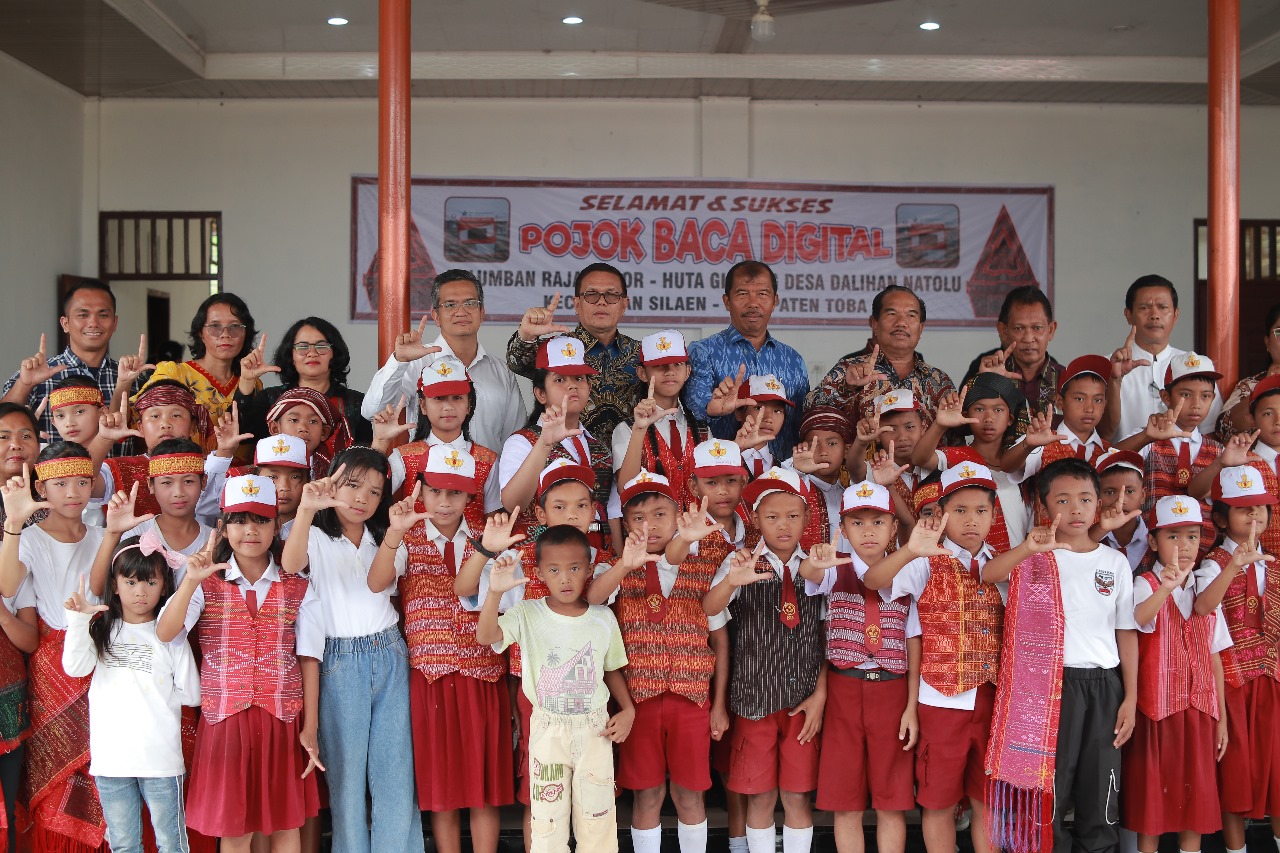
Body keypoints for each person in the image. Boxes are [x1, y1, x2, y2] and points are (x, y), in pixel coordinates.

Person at [156, 475, 323, 852]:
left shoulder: (297, 584)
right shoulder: (204, 581)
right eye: (239, 520)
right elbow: (166, 633)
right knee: (234, 829)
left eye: (261, 520)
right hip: (226, 720)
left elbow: (309, 657)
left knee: (285, 825)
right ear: (224, 526)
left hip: (282, 717)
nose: (250, 530)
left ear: (276, 526)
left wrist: (309, 726)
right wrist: (188, 583)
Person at [980, 458, 1138, 853]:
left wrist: (1130, 698)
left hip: (1104, 686)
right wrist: (1026, 547)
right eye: (1063, 500)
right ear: (1044, 507)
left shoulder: (1114, 562)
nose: (1076, 509)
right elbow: (988, 574)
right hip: (1048, 688)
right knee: (1051, 787)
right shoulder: (1034, 557)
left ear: (1098, 504)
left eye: (1086, 498)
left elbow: (1126, 631)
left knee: (1102, 788)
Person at [282, 449, 424, 853]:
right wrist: (307, 509)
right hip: (339, 661)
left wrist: (394, 534)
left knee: (395, 773)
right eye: (353, 485)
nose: (363, 498)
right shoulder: (309, 532)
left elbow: (378, 583)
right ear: (331, 481)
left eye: (375, 491)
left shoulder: (388, 537)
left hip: (389, 653)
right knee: (345, 780)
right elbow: (291, 566)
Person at [371, 445, 510, 853]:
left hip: (483, 673)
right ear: (420, 491)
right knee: (442, 786)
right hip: (429, 676)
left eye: (455, 493)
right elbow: (378, 583)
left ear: (471, 496)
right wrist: (394, 535)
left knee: (485, 786)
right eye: (435, 491)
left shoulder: (491, 536)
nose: (444, 502)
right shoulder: (407, 538)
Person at [862, 463, 1004, 853]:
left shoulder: (1003, 563)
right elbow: (874, 581)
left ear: (994, 514)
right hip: (941, 700)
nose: (971, 520)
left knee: (985, 799)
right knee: (938, 800)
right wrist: (910, 549)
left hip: (992, 698)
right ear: (941, 515)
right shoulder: (927, 558)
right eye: (959, 510)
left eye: (980, 510)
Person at [588, 473, 730, 853]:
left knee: (690, 795)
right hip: (639, 702)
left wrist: (718, 704)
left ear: (678, 515)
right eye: (637, 517)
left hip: (692, 700)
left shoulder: (703, 566)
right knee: (647, 795)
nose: (648, 525)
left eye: (659, 513)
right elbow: (592, 599)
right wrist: (624, 565)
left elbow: (719, 638)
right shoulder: (614, 567)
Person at [476, 524, 635, 853]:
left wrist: (628, 709)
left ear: (589, 569)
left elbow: (609, 669)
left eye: (575, 568)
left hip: (594, 730)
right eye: (554, 570)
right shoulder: (527, 613)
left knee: (597, 820)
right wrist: (494, 593)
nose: (565, 579)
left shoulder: (603, 618)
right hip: (547, 730)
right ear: (539, 572)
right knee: (547, 821)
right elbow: (486, 636)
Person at [702, 467, 827, 853]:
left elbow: (828, 637)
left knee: (796, 796)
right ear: (755, 519)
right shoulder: (739, 563)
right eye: (772, 517)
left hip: (802, 702)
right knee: (760, 796)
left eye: (793, 516)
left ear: (806, 518)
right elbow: (710, 609)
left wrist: (821, 694)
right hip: (753, 698)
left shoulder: (818, 566)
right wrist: (730, 582)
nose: (783, 525)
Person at [798, 481, 921, 853]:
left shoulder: (907, 570)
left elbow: (913, 640)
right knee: (845, 801)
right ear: (843, 527)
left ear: (892, 527)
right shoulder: (836, 567)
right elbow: (809, 573)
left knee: (892, 800)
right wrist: (815, 560)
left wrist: (912, 706)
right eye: (857, 522)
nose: (868, 531)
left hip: (892, 689)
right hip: (844, 689)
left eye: (877, 522)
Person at [0, 443, 109, 853]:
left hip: (101, 657)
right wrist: (13, 523)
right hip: (51, 665)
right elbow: (7, 586)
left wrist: (115, 532)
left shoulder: (103, 533)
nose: (73, 492)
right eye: (60, 483)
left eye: (82, 482)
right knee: (56, 773)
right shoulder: (28, 538)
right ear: (41, 489)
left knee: (102, 765)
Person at [62, 538, 201, 853]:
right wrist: (78, 620)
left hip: (161, 762)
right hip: (112, 762)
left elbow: (192, 694)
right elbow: (74, 667)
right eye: (131, 582)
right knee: (124, 845)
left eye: (151, 582)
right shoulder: (101, 631)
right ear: (115, 584)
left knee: (172, 844)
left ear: (165, 586)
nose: (141, 591)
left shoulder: (168, 635)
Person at [1123, 496, 1229, 853]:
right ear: (1153, 541)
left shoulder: (1205, 591)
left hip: (1199, 711)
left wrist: (1222, 720)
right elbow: (1137, 620)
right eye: (1173, 536)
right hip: (1157, 711)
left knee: (1193, 803)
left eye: (1192, 537)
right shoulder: (1146, 585)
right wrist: (1167, 586)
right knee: (1153, 803)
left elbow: (1215, 658)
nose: (1183, 547)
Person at [1192, 466, 1280, 853]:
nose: (1256, 515)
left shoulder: (1273, 564)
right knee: (1235, 776)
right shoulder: (1212, 564)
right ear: (1222, 517)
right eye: (1245, 509)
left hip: (1272, 682)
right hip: (1231, 684)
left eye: (1261, 507)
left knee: (1278, 773)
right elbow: (1202, 606)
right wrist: (1233, 566)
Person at [365, 270, 526, 453]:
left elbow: (515, 438)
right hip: (427, 480)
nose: (461, 312)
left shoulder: (501, 371)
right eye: (450, 305)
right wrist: (399, 361)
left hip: (489, 479)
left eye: (470, 303)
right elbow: (372, 411)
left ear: (482, 312)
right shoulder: (417, 362)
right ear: (435, 315)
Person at [499, 336, 620, 544]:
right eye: (560, 379)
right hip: (542, 560)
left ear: (589, 387)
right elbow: (513, 504)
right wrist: (544, 444)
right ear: (541, 394)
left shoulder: (598, 447)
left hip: (596, 558)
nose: (572, 386)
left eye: (579, 378)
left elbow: (609, 511)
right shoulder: (522, 442)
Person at [2, 282, 149, 450]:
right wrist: (25, 384)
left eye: (103, 315)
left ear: (114, 323)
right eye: (83, 314)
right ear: (65, 323)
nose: (93, 323)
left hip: (115, 476)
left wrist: (125, 383)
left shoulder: (133, 378)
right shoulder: (38, 376)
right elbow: (3, 425)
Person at [685, 261, 809, 458]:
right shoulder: (703, 352)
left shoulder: (793, 360)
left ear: (775, 300)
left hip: (781, 478)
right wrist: (713, 408)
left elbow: (803, 423)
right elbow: (690, 415)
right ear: (727, 301)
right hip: (723, 477)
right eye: (742, 294)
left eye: (762, 294)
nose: (753, 303)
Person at [507, 264, 639, 442]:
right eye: (591, 294)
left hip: (631, 462)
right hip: (566, 457)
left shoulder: (641, 354)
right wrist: (527, 335)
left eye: (611, 295)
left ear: (624, 304)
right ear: (577, 304)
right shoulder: (557, 349)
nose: (602, 301)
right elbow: (518, 363)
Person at [372, 354, 501, 525]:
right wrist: (380, 441)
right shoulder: (403, 457)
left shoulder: (488, 460)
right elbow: (371, 494)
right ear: (423, 405)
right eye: (439, 398)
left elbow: (493, 520)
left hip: (474, 551)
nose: (448, 406)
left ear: (469, 405)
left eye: (457, 397)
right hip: (410, 551)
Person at [807, 286, 955, 428]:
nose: (901, 323)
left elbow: (956, 436)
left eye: (911, 315)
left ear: (921, 328)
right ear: (875, 324)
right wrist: (846, 388)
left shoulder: (938, 379)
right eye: (892, 314)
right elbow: (809, 409)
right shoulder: (849, 370)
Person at [1104, 275, 1222, 441]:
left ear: (1175, 315)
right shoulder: (1108, 366)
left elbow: (1209, 430)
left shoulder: (1195, 366)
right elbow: (1102, 433)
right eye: (1144, 307)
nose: (1154, 315)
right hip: (1123, 463)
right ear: (1128, 315)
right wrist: (1114, 380)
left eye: (1163, 307)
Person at [138, 293, 261, 451]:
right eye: (215, 326)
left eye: (235, 327)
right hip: (187, 472)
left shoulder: (252, 381)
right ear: (200, 333)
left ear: (246, 333)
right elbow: (137, 418)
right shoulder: (174, 373)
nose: (225, 334)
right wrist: (124, 383)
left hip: (241, 474)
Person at [236, 316, 372, 448]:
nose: (312, 353)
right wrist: (247, 380)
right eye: (302, 347)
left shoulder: (356, 402)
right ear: (291, 356)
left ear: (334, 353)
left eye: (322, 346)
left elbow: (367, 455)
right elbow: (239, 434)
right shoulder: (271, 399)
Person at [612, 330, 709, 500]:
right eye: (660, 365)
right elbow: (625, 489)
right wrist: (639, 431)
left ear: (688, 371)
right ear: (642, 373)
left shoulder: (702, 429)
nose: (670, 371)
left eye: (677, 364)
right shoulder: (626, 429)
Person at [959, 285, 1064, 432]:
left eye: (1037, 328)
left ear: (1051, 330)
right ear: (1003, 331)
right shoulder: (987, 367)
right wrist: (985, 381)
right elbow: (959, 428)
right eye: (1019, 328)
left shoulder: (1065, 379)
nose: (1028, 338)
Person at [1217, 302, 1280, 441]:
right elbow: (1225, 429)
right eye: (1279, 332)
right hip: (1258, 461)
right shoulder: (1249, 385)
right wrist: (1264, 387)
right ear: (1267, 342)